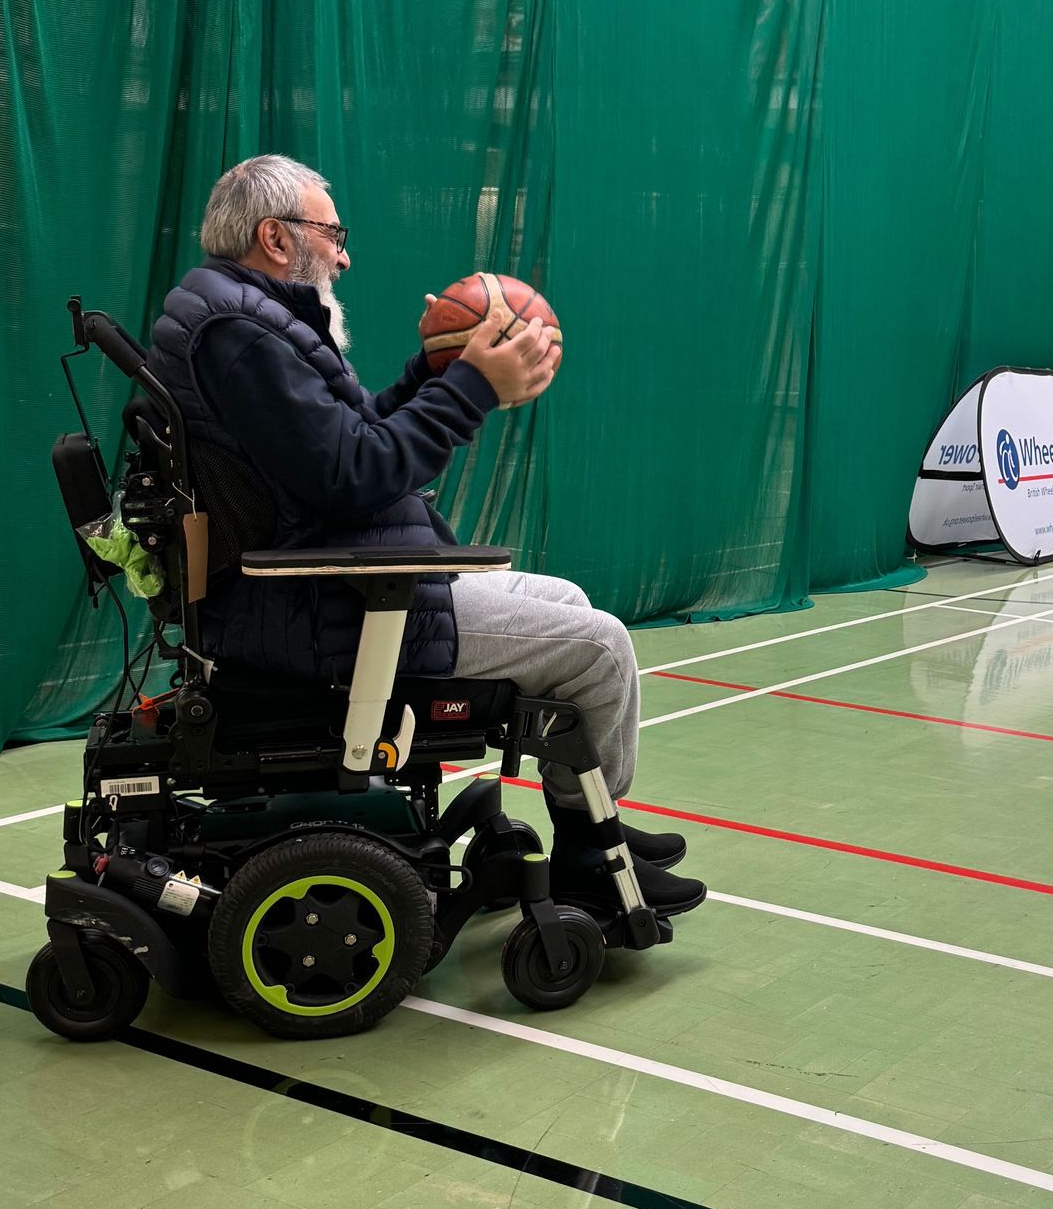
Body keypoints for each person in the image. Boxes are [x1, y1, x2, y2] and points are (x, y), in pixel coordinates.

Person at [146, 154, 706, 921]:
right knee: (600, 647)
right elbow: (357, 474)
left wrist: (437, 369)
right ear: (276, 238)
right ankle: (588, 855)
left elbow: (346, 439)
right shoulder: (243, 335)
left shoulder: (234, 315)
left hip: (318, 583)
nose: (342, 254)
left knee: (567, 599)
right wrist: (473, 388)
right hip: (324, 608)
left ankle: (589, 826)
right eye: (331, 233)